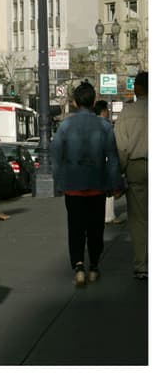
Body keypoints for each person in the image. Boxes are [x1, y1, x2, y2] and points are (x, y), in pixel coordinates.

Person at [51, 80, 121, 286]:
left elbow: (56, 156)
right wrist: (114, 182)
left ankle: (79, 265)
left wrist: (59, 181)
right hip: (97, 184)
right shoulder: (105, 126)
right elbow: (113, 158)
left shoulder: (65, 125)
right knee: (95, 228)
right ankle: (94, 267)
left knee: (75, 227)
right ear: (94, 101)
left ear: (74, 102)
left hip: (73, 185)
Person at [114, 70, 148, 280]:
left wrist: (120, 172)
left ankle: (142, 265)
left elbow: (121, 147)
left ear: (137, 88)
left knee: (139, 219)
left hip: (136, 167)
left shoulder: (128, 112)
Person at [93, 101, 122, 224]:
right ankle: (108, 216)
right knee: (107, 192)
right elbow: (112, 154)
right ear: (104, 111)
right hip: (103, 164)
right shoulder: (107, 126)